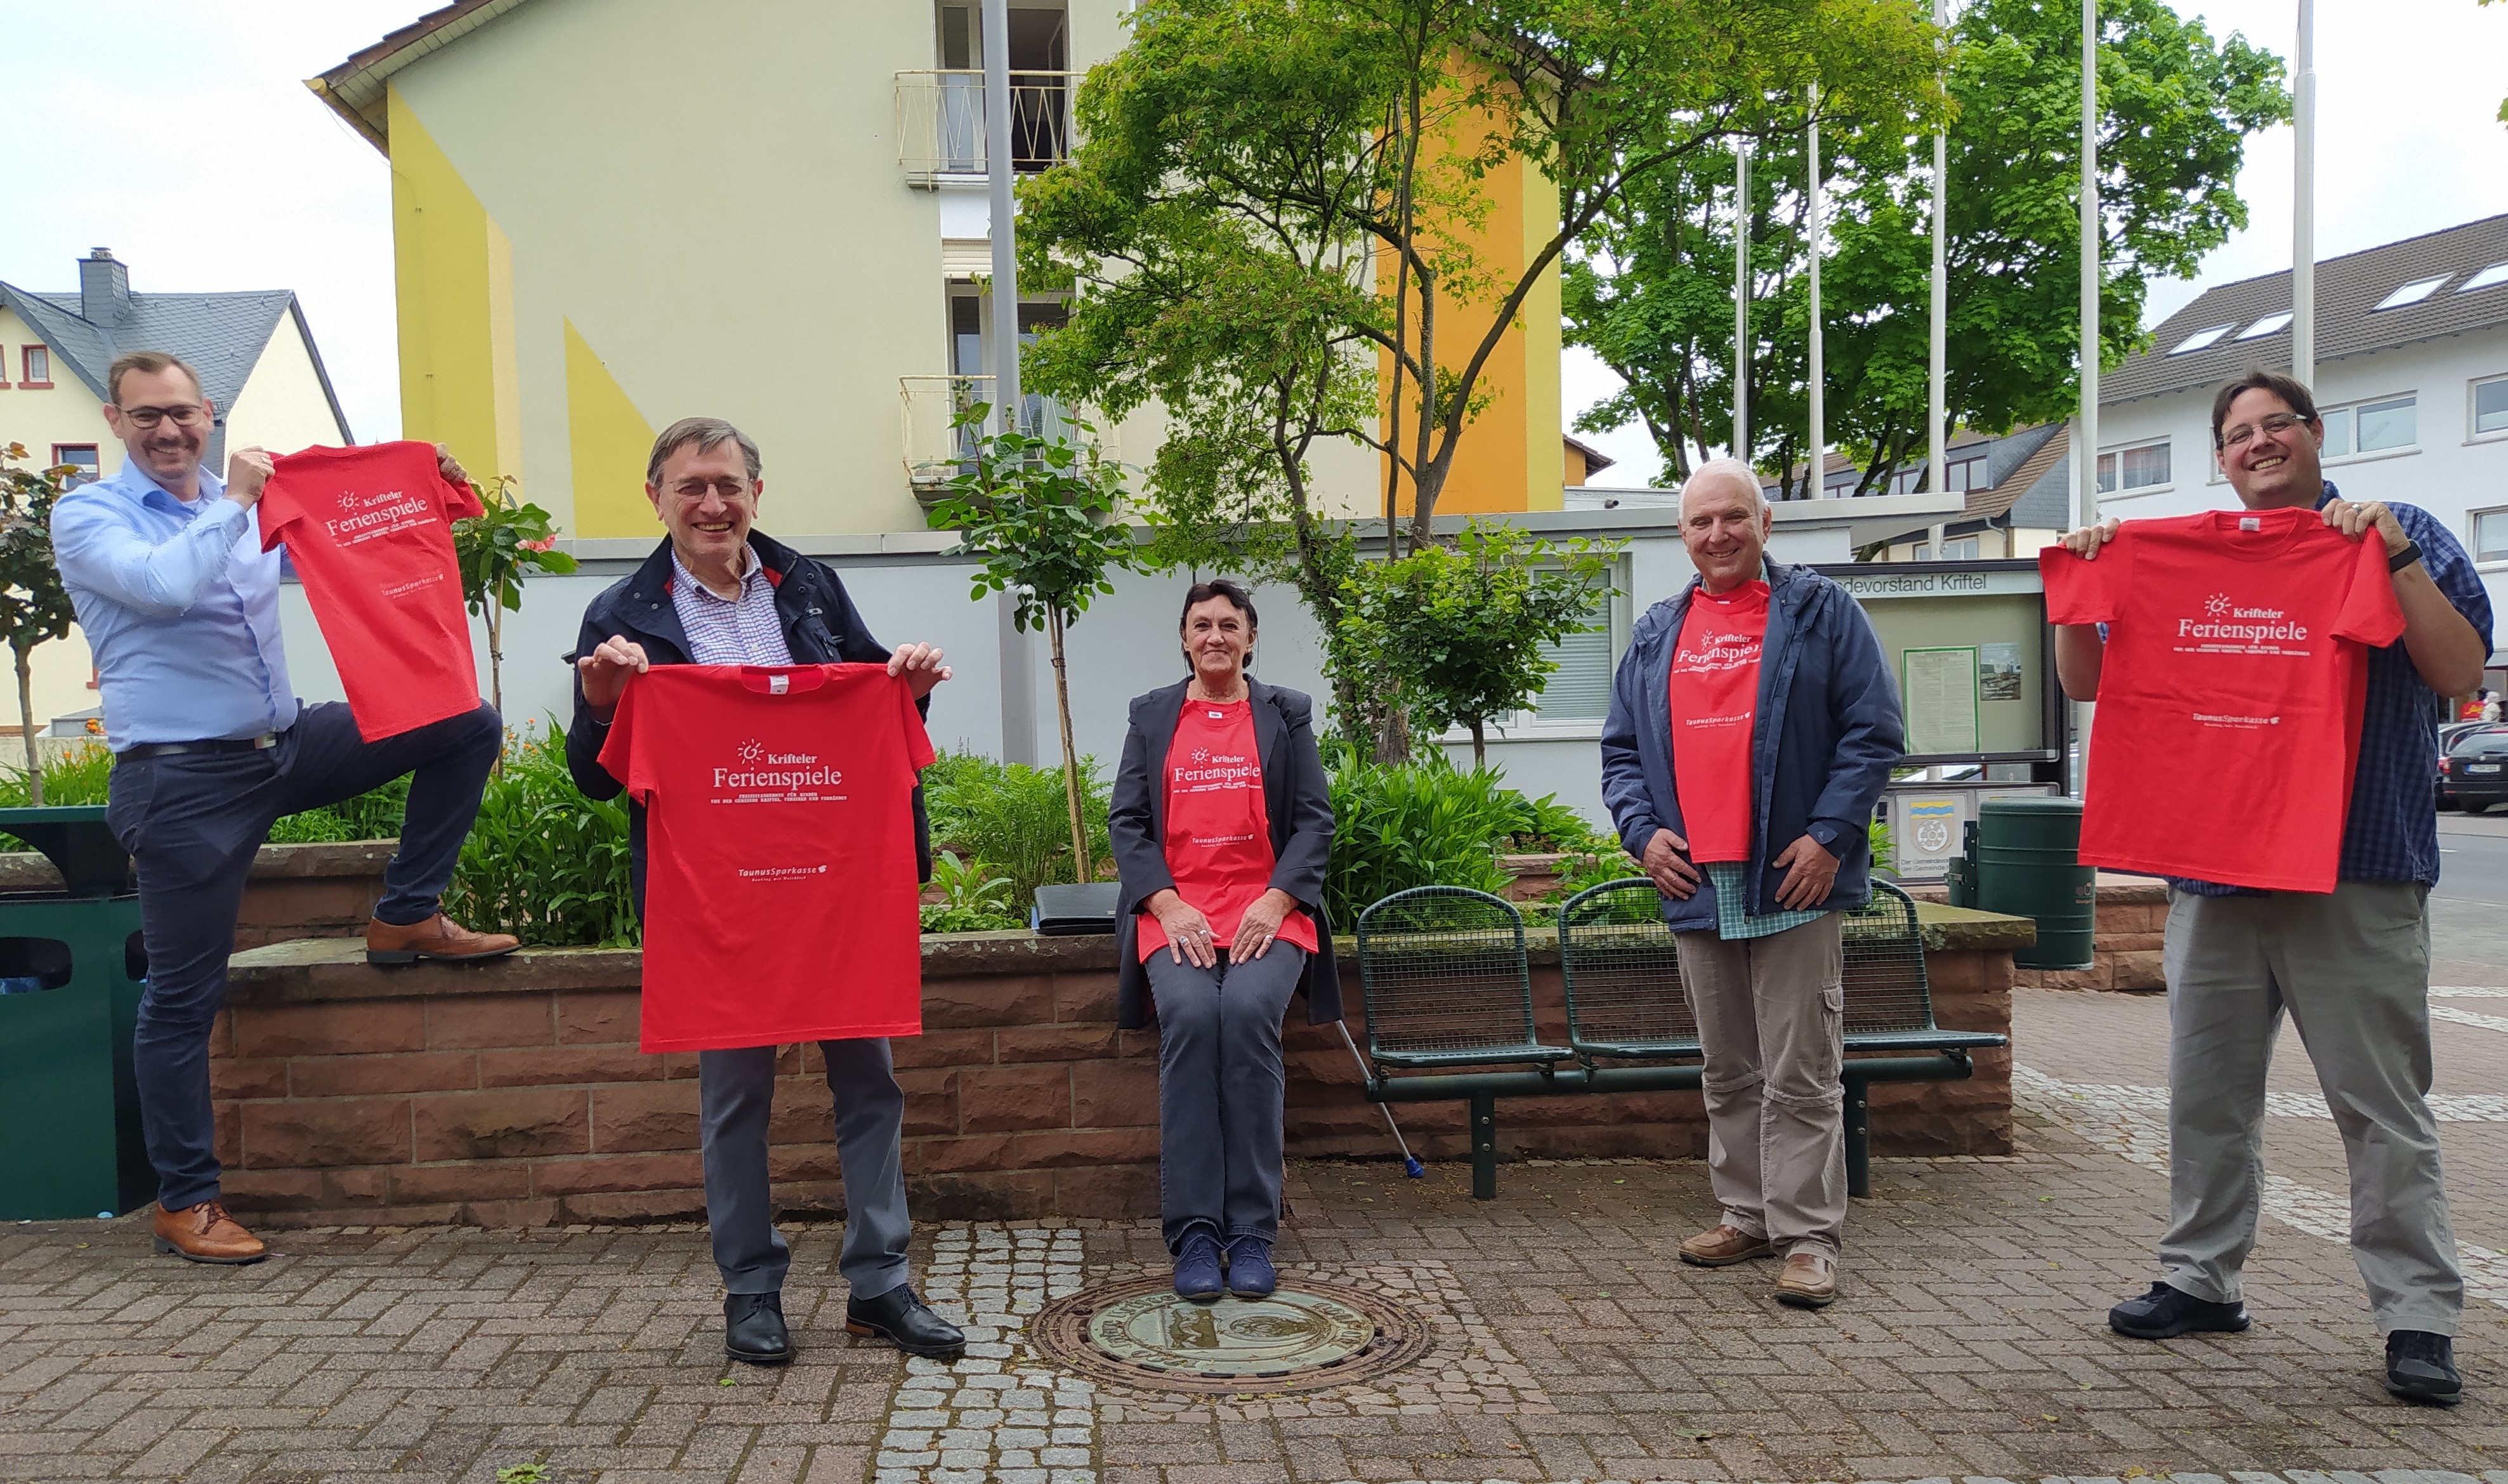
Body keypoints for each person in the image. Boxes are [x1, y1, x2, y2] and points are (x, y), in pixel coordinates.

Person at [2056, 368, 2493, 1405]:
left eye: (2273, 426)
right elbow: (2086, 681)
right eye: (2237, 433)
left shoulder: (2394, 531)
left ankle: (2416, 1312)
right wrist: (2082, 588)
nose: (2256, 443)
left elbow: (2456, 666)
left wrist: (2388, 557)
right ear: (2221, 457)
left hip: (2356, 865)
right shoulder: (2184, 555)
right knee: (2205, 1094)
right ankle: (2198, 1277)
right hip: (2212, 870)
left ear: (2310, 432)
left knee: (2378, 1103)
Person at [51, 350, 516, 1267]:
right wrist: (236, 501)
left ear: (208, 412)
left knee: (465, 720)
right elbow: (161, 586)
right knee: (184, 996)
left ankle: (406, 912)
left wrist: (425, 486)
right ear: (115, 422)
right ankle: (186, 1201)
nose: (168, 430)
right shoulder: (88, 515)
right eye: (146, 417)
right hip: (180, 778)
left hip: (286, 742)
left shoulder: (251, 498)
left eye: (181, 412)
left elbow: (357, 535)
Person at [565, 416, 964, 1366]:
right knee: (733, 1097)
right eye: (691, 486)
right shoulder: (621, 615)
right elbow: (596, 774)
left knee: (869, 1081)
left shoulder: (812, 584)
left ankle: (881, 1283)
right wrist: (599, 704)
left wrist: (906, 684)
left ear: (756, 491)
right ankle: (751, 1287)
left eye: (729, 484)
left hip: (836, 888)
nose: (712, 503)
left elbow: (874, 704)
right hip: (718, 901)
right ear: (655, 497)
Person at [1599, 457, 1904, 1310]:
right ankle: (1745, 1212)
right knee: (1728, 1067)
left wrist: (1832, 835)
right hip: (1699, 881)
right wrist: (1639, 831)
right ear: (1683, 535)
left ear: (1764, 523)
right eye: (1700, 522)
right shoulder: (1659, 627)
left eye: (1733, 516)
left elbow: (1872, 731)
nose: (1717, 534)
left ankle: (1807, 1236)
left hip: (1792, 878)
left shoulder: (1818, 611)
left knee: (1801, 1068)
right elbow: (1621, 749)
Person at [1108, 580, 1336, 1302]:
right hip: (1175, 914)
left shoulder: (1285, 712)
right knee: (1190, 1016)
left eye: (1228, 624)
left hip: (1266, 915)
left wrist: (1275, 899)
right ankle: (1197, 1231)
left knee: (1243, 1015)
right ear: (1183, 637)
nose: (1215, 636)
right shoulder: (1151, 714)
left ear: (1250, 636)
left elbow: (1312, 820)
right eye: (1201, 624)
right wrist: (1166, 903)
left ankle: (1251, 1230)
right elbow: (1127, 821)